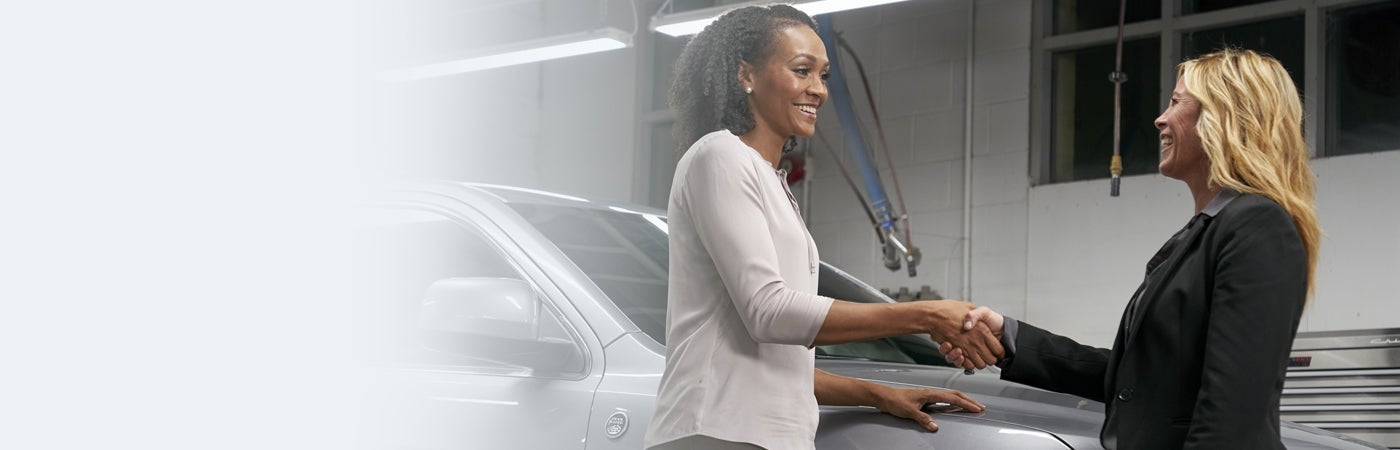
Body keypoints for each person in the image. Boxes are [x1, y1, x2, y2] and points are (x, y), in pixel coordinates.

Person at [643, 5, 1004, 450]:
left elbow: (772, 362)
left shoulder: (768, 179)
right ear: (745, 75)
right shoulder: (719, 157)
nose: (817, 90)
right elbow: (769, 313)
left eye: (824, 75)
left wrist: (876, 394)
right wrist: (926, 315)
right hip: (715, 433)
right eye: (801, 71)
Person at [942, 49, 1321, 450]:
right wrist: (1011, 337)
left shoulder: (1256, 226)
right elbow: (1134, 381)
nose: (1160, 118)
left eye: (1176, 102)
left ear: (1224, 117)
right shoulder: (1207, 231)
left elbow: (1233, 417)